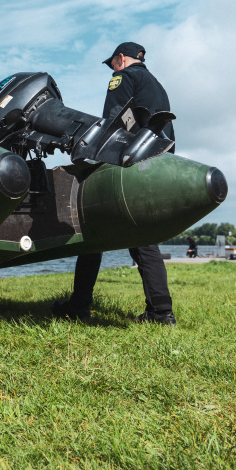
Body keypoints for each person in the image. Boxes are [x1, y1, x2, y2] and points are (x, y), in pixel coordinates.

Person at [52, 42, 177, 325]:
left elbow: (113, 120)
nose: (112, 70)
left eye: (113, 64)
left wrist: (91, 156)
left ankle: (81, 305)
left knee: (92, 231)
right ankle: (160, 311)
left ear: (121, 59)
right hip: (157, 161)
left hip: (130, 161)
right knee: (144, 238)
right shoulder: (156, 85)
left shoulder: (124, 77)